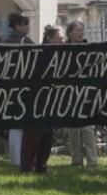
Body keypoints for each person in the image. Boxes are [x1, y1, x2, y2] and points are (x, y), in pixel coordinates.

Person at [20, 25, 63, 174]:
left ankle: (41, 166)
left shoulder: (62, 54)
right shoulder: (38, 53)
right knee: (33, 135)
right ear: (50, 39)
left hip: (51, 99)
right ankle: (27, 167)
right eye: (58, 39)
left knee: (47, 136)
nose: (61, 42)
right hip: (36, 100)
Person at [0, 13, 33, 168]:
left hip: (9, 87)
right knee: (23, 125)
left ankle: (15, 159)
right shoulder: (26, 42)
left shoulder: (5, 42)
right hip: (24, 87)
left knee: (13, 124)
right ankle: (24, 157)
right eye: (26, 24)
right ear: (18, 26)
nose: (28, 27)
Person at [64, 21, 98, 168]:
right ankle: (76, 160)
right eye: (77, 30)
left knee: (88, 128)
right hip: (70, 91)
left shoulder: (88, 48)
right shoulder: (63, 49)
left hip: (85, 91)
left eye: (82, 30)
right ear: (70, 32)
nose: (80, 33)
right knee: (73, 129)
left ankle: (92, 161)